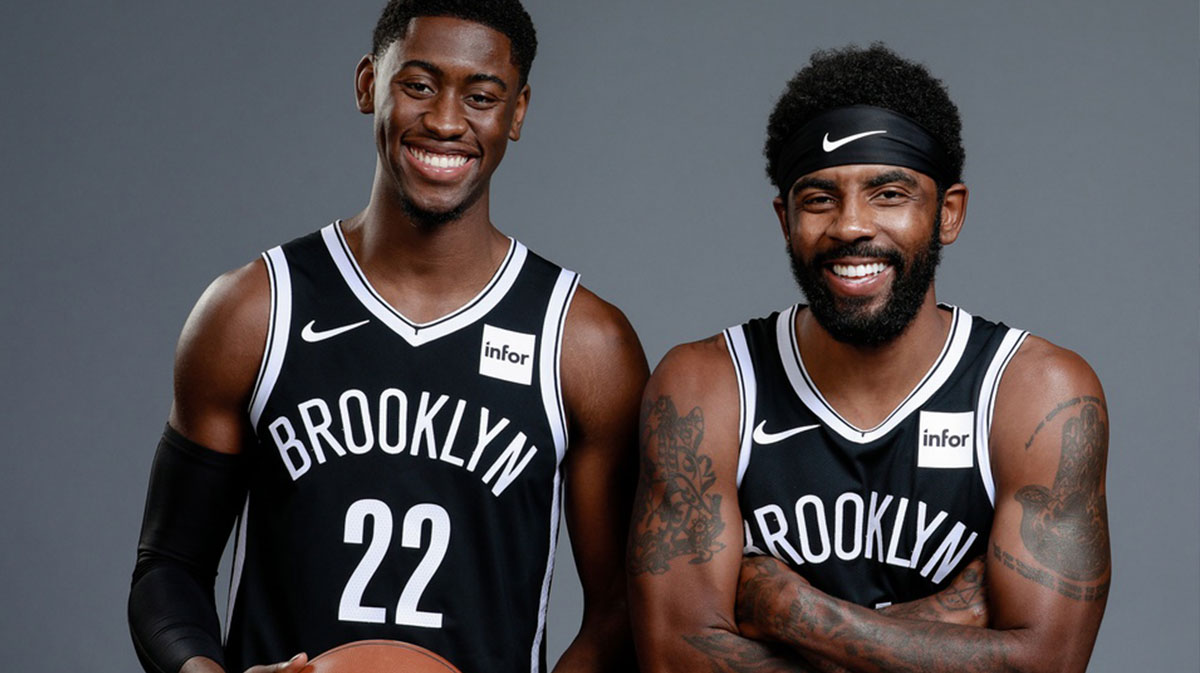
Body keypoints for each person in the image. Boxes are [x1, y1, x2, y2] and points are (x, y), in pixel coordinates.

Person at [127, 2, 647, 673]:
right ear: (369, 83)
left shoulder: (581, 341)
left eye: (481, 96)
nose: (446, 121)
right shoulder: (255, 310)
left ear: (516, 114)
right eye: (419, 84)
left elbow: (623, 607)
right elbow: (168, 566)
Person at [628, 44, 1109, 673]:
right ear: (785, 219)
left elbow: (1046, 664)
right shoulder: (706, 387)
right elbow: (674, 660)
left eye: (888, 193)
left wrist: (793, 613)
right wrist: (949, 626)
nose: (851, 226)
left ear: (948, 213)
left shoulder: (1034, 393)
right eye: (820, 198)